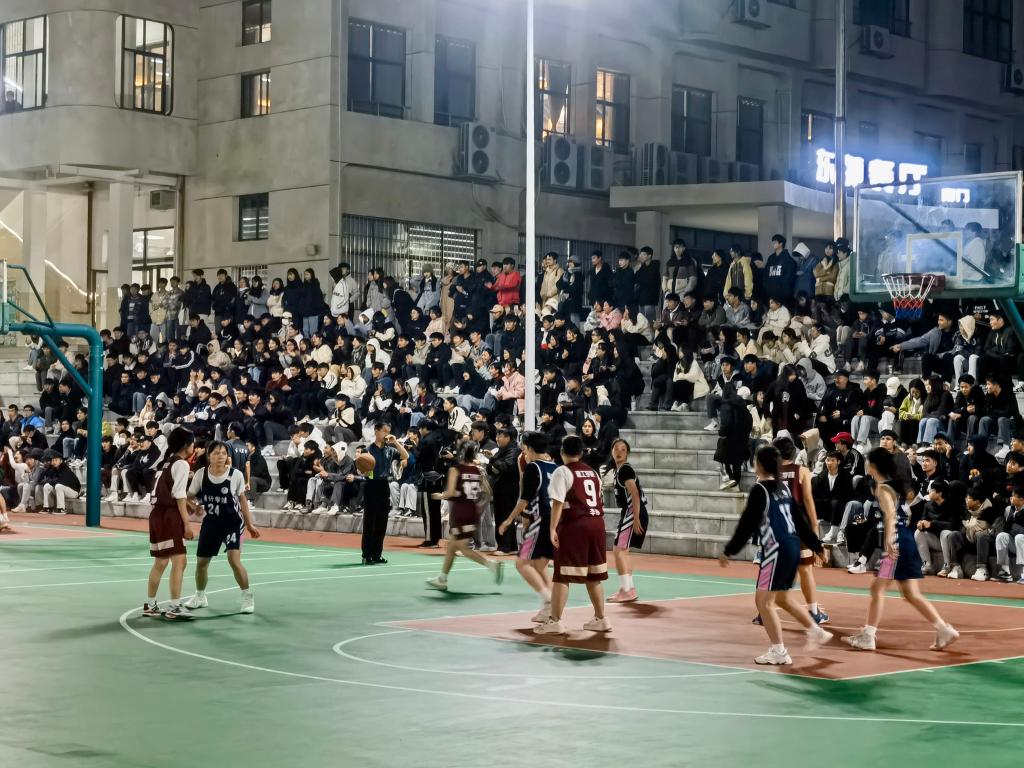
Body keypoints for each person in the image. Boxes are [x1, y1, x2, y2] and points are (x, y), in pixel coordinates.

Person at [719, 445, 832, 665]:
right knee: (782, 598)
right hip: (792, 546)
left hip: (775, 550)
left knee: (763, 602)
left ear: (759, 465)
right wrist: (816, 546)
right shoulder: (783, 488)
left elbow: (746, 524)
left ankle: (779, 651)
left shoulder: (759, 490)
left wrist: (729, 550)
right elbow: (799, 521)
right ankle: (815, 630)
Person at [843, 448, 960, 652]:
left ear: (873, 465)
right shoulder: (893, 486)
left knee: (878, 589)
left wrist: (889, 541)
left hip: (896, 542)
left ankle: (868, 636)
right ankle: (944, 629)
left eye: (867, 461)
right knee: (910, 593)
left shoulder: (883, 488)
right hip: (905, 539)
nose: (865, 463)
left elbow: (890, 515)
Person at [534, 435, 611, 635]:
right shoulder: (593, 472)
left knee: (562, 576)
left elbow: (558, 502)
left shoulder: (562, 471)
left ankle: (555, 621)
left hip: (575, 525)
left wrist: (552, 528)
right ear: (582, 453)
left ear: (562, 452)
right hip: (597, 524)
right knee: (593, 575)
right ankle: (601, 619)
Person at [184, 441, 261, 614]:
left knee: (234, 560)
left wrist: (249, 524)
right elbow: (188, 497)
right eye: (216, 453)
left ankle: (247, 597)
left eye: (224, 453)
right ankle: (200, 596)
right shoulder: (201, 474)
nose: (220, 456)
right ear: (208, 455)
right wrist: (195, 506)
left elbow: (242, 500)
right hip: (211, 523)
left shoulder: (235, 475)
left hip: (232, 523)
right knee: (201, 563)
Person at [425, 441, 504, 591]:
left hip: (460, 511)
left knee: (463, 548)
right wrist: (478, 506)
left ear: (460, 453)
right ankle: (442, 579)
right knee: (452, 546)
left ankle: (491, 565)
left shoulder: (455, 470)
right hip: (471, 510)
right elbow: (487, 491)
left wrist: (439, 496)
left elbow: (450, 492)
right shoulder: (478, 470)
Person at [498, 431, 557, 623]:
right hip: (555, 521)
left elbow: (524, 499)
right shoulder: (555, 467)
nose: (524, 452)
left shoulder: (533, 467)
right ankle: (549, 607)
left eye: (525, 449)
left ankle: (548, 599)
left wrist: (509, 520)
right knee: (539, 565)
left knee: (521, 563)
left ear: (530, 448)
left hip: (540, 520)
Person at [143, 427, 196, 620]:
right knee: (179, 561)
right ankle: (175, 606)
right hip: (169, 516)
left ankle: (150, 604)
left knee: (161, 562)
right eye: (193, 443)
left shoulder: (165, 462)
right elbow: (179, 495)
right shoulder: (181, 464)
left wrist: (191, 505)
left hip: (156, 515)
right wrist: (187, 524)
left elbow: (170, 491)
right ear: (187, 445)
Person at [361, 422, 408, 565]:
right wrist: (364, 471)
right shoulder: (367, 450)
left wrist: (396, 442)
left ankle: (377, 554)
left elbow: (406, 456)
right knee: (370, 522)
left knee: (382, 522)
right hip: (371, 485)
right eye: (384, 431)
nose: (387, 434)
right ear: (376, 431)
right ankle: (367, 554)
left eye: (389, 431)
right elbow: (361, 469)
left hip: (383, 485)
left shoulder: (390, 450)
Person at [607, 438, 647, 603]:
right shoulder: (619, 470)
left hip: (632, 512)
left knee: (618, 550)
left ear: (628, 453)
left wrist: (636, 518)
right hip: (631, 512)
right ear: (611, 451)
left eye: (623, 449)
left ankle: (626, 590)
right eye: (616, 448)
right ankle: (629, 589)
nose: (619, 452)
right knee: (623, 551)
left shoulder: (625, 470)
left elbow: (635, 494)